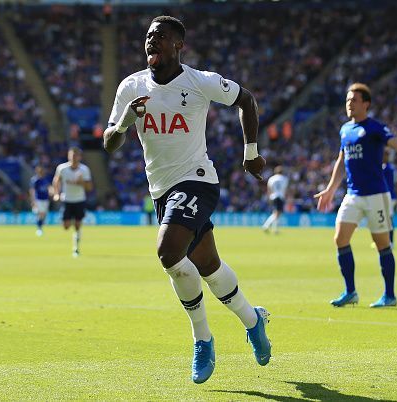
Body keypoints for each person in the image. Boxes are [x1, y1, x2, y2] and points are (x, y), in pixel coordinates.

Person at [103, 16, 271, 384]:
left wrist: (251, 151)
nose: (151, 41)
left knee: (168, 252)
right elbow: (109, 142)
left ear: (179, 45)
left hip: (197, 181)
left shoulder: (199, 81)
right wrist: (125, 123)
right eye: (148, 36)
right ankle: (253, 320)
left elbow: (246, 99)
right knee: (208, 267)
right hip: (162, 191)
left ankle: (203, 340)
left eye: (160, 36)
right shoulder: (130, 87)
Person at [314, 83, 397, 308]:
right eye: (347, 100)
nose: (349, 104)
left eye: (354, 100)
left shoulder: (375, 128)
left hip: (376, 195)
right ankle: (350, 292)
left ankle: (389, 295)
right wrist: (331, 188)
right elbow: (342, 160)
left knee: (382, 244)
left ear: (366, 104)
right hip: (352, 194)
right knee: (340, 239)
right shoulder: (345, 130)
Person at [52, 147, 93, 257]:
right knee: (66, 226)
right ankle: (71, 227)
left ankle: (76, 248)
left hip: (79, 200)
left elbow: (89, 187)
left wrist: (81, 183)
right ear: (68, 156)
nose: (74, 158)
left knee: (78, 225)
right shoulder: (62, 168)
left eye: (76, 155)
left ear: (80, 157)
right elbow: (56, 181)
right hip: (67, 200)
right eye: (72, 155)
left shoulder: (84, 170)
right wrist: (56, 194)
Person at [262, 165, 288, 234]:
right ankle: (266, 226)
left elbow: (269, 189)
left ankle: (275, 229)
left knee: (276, 213)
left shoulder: (271, 178)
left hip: (273, 196)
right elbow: (285, 189)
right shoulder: (284, 178)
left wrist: (269, 197)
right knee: (277, 213)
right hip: (280, 196)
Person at [29, 165, 51, 236]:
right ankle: (39, 229)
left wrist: (52, 191)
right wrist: (33, 200)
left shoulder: (45, 179)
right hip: (39, 199)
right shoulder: (35, 180)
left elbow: (49, 187)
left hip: (45, 199)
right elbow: (32, 191)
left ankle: (40, 226)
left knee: (44, 214)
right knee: (40, 214)